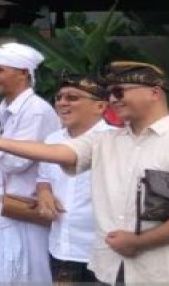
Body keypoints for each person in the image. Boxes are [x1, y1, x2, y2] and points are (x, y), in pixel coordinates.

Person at [0, 61, 169, 285]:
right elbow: (60, 152)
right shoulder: (106, 140)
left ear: (154, 92)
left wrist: (139, 242)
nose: (113, 99)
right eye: (110, 93)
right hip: (111, 269)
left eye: (119, 91)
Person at [0, 42, 60, 286]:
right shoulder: (7, 109)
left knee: (22, 277)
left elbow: (16, 162)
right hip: (3, 211)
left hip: (22, 212)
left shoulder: (35, 111)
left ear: (23, 73)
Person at [34, 74, 116, 284]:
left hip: (104, 251)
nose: (62, 103)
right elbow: (44, 176)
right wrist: (43, 191)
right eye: (59, 97)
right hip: (61, 247)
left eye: (72, 98)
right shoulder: (53, 139)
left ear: (100, 106)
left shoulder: (116, 140)